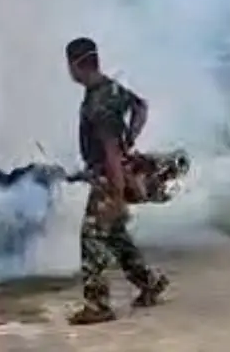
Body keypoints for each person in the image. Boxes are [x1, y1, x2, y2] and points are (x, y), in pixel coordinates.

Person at [65, 37, 168, 325]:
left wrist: (119, 197)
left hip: (109, 179)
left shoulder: (98, 104)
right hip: (109, 172)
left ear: (75, 65)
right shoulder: (111, 88)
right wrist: (130, 139)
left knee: (91, 237)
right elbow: (141, 107)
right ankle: (149, 282)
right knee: (115, 237)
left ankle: (97, 305)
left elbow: (110, 153)